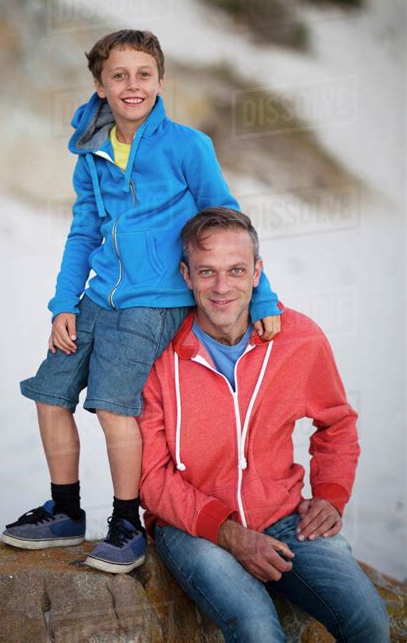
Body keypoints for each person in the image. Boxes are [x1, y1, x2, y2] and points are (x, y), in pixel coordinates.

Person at [0, 30, 282, 573]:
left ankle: (127, 521)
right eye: (119, 76)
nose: (133, 85)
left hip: (155, 302)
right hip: (97, 297)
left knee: (112, 405)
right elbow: (83, 231)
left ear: (160, 80)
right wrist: (63, 303)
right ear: (101, 86)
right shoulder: (90, 152)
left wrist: (262, 297)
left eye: (144, 74)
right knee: (49, 391)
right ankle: (64, 511)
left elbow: (228, 222)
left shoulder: (187, 146)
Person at [139, 207, 390, 641]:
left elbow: (337, 424)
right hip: (191, 528)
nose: (221, 287)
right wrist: (229, 533)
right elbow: (150, 476)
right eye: (207, 271)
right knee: (257, 628)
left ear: (257, 272)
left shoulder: (297, 338)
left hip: (283, 516)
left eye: (236, 270)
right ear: (186, 275)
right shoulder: (158, 355)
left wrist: (330, 494)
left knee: (368, 621)